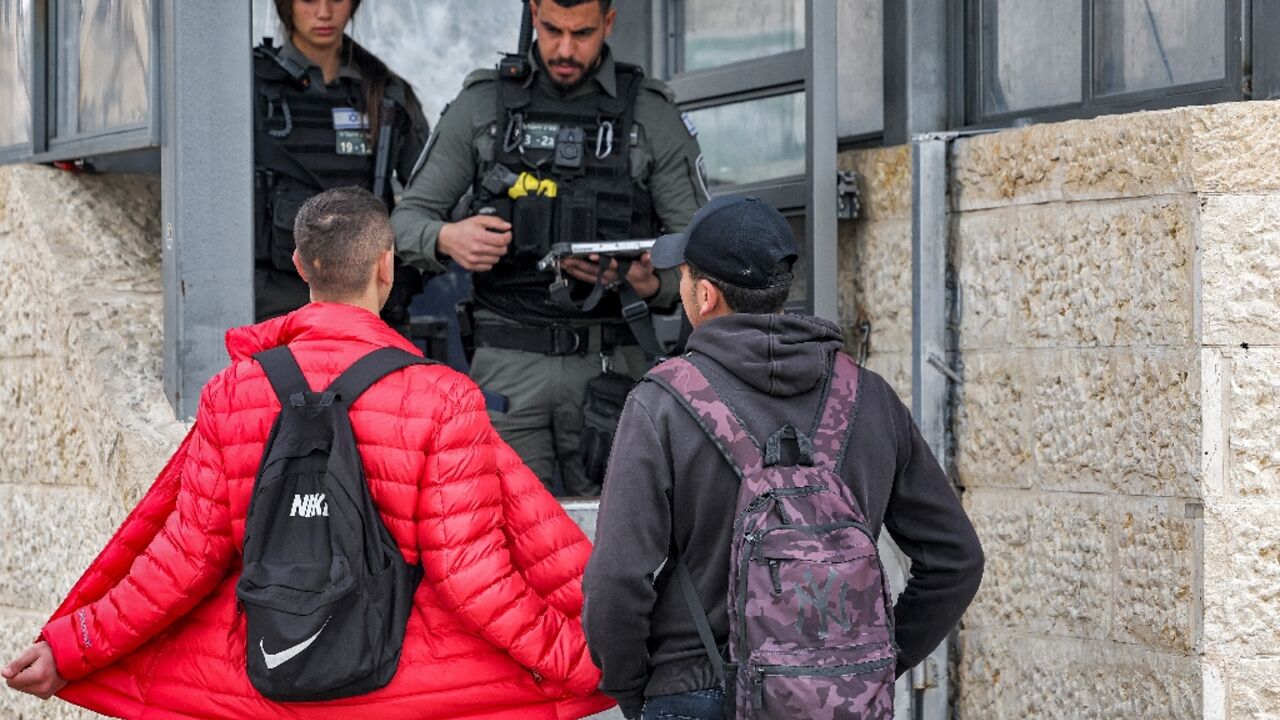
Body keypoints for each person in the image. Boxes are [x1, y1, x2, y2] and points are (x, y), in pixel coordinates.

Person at [2, 187, 613, 720]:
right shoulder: (442, 396)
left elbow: (183, 559)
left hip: (268, 679)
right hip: (408, 687)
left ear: (299, 265)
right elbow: (473, 576)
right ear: (386, 267)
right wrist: (590, 660)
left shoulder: (233, 392)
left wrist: (72, 646)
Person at [582, 196, 985, 719]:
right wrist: (873, 659)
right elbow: (957, 560)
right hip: (840, 699)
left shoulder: (661, 405)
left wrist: (634, 689)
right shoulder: (870, 397)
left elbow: (616, 578)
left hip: (698, 688)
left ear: (705, 295)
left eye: (682, 276)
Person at [391, 0, 709, 497]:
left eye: (581, 33)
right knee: (497, 539)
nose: (564, 49)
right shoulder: (484, 104)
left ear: (608, 21)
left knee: (622, 546)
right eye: (551, 29)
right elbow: (403, 222)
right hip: (507, 364)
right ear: (534, 14)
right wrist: (449, 238)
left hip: (612, 365)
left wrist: (654, 283)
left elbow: (702, 249)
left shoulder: (650, 112)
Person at [254, 0, 430, 329]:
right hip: (276, 313)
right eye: (309, 0)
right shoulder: (248, 87)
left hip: (366, 313)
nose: (324, 12)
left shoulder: (384, 92)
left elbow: (430, 200)